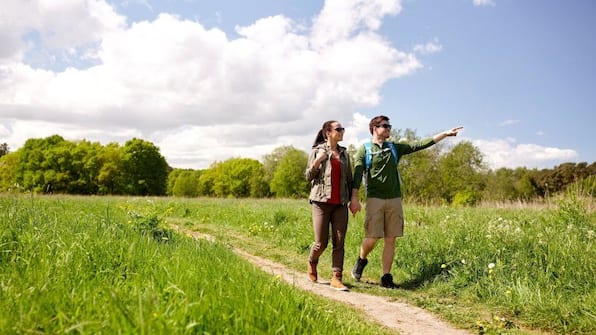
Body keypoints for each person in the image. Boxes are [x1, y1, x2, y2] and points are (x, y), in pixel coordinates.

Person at [349, 115, 462, 288]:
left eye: (389, 126)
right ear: (374, 128)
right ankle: (361, 260)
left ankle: (386, 277)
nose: (388, 129)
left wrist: (444, 134)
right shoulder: (364, 150)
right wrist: (354, 198)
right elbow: (357, 175)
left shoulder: (395, 148)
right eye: (384, 126)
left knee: (391, 239)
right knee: (372, 238)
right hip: (374, 199)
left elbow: (419, 144)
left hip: (394, 199)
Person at [304, 120, 354, 291]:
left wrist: (354, 200)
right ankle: (312, 261)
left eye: (343, 129)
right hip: (320, 202)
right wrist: (317, 162)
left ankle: (336, 277)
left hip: (340, 203)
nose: (342, 132)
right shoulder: (317, 151)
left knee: (339, 242)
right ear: (328, 132)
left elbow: (349, 179)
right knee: (321, 243)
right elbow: (308, 177)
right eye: (338, 129)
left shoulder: (345, 154)